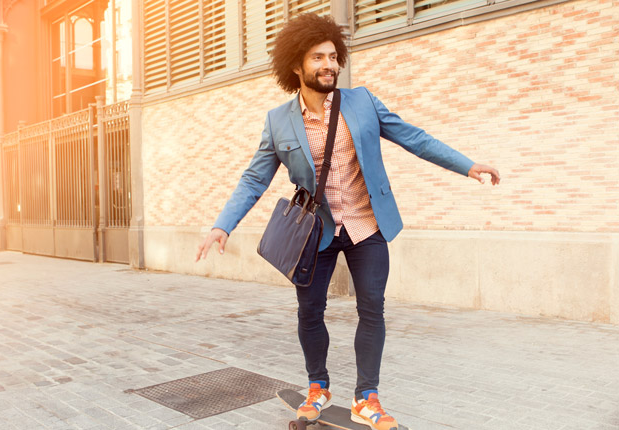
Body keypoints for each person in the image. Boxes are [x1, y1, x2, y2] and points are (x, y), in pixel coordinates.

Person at [195, 13, 500, 430]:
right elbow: (254, 178)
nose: (329, 64)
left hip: (366, 225)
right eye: (318, 57)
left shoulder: (362, 102)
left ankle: (367, 398)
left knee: (372, 309)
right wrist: (222, 225)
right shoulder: (278, 120)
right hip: (314, 234)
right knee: (310, 312)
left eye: (334, 56)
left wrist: (466, 165)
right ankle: (317, 386)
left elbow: (414, 137)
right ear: (297, 67)